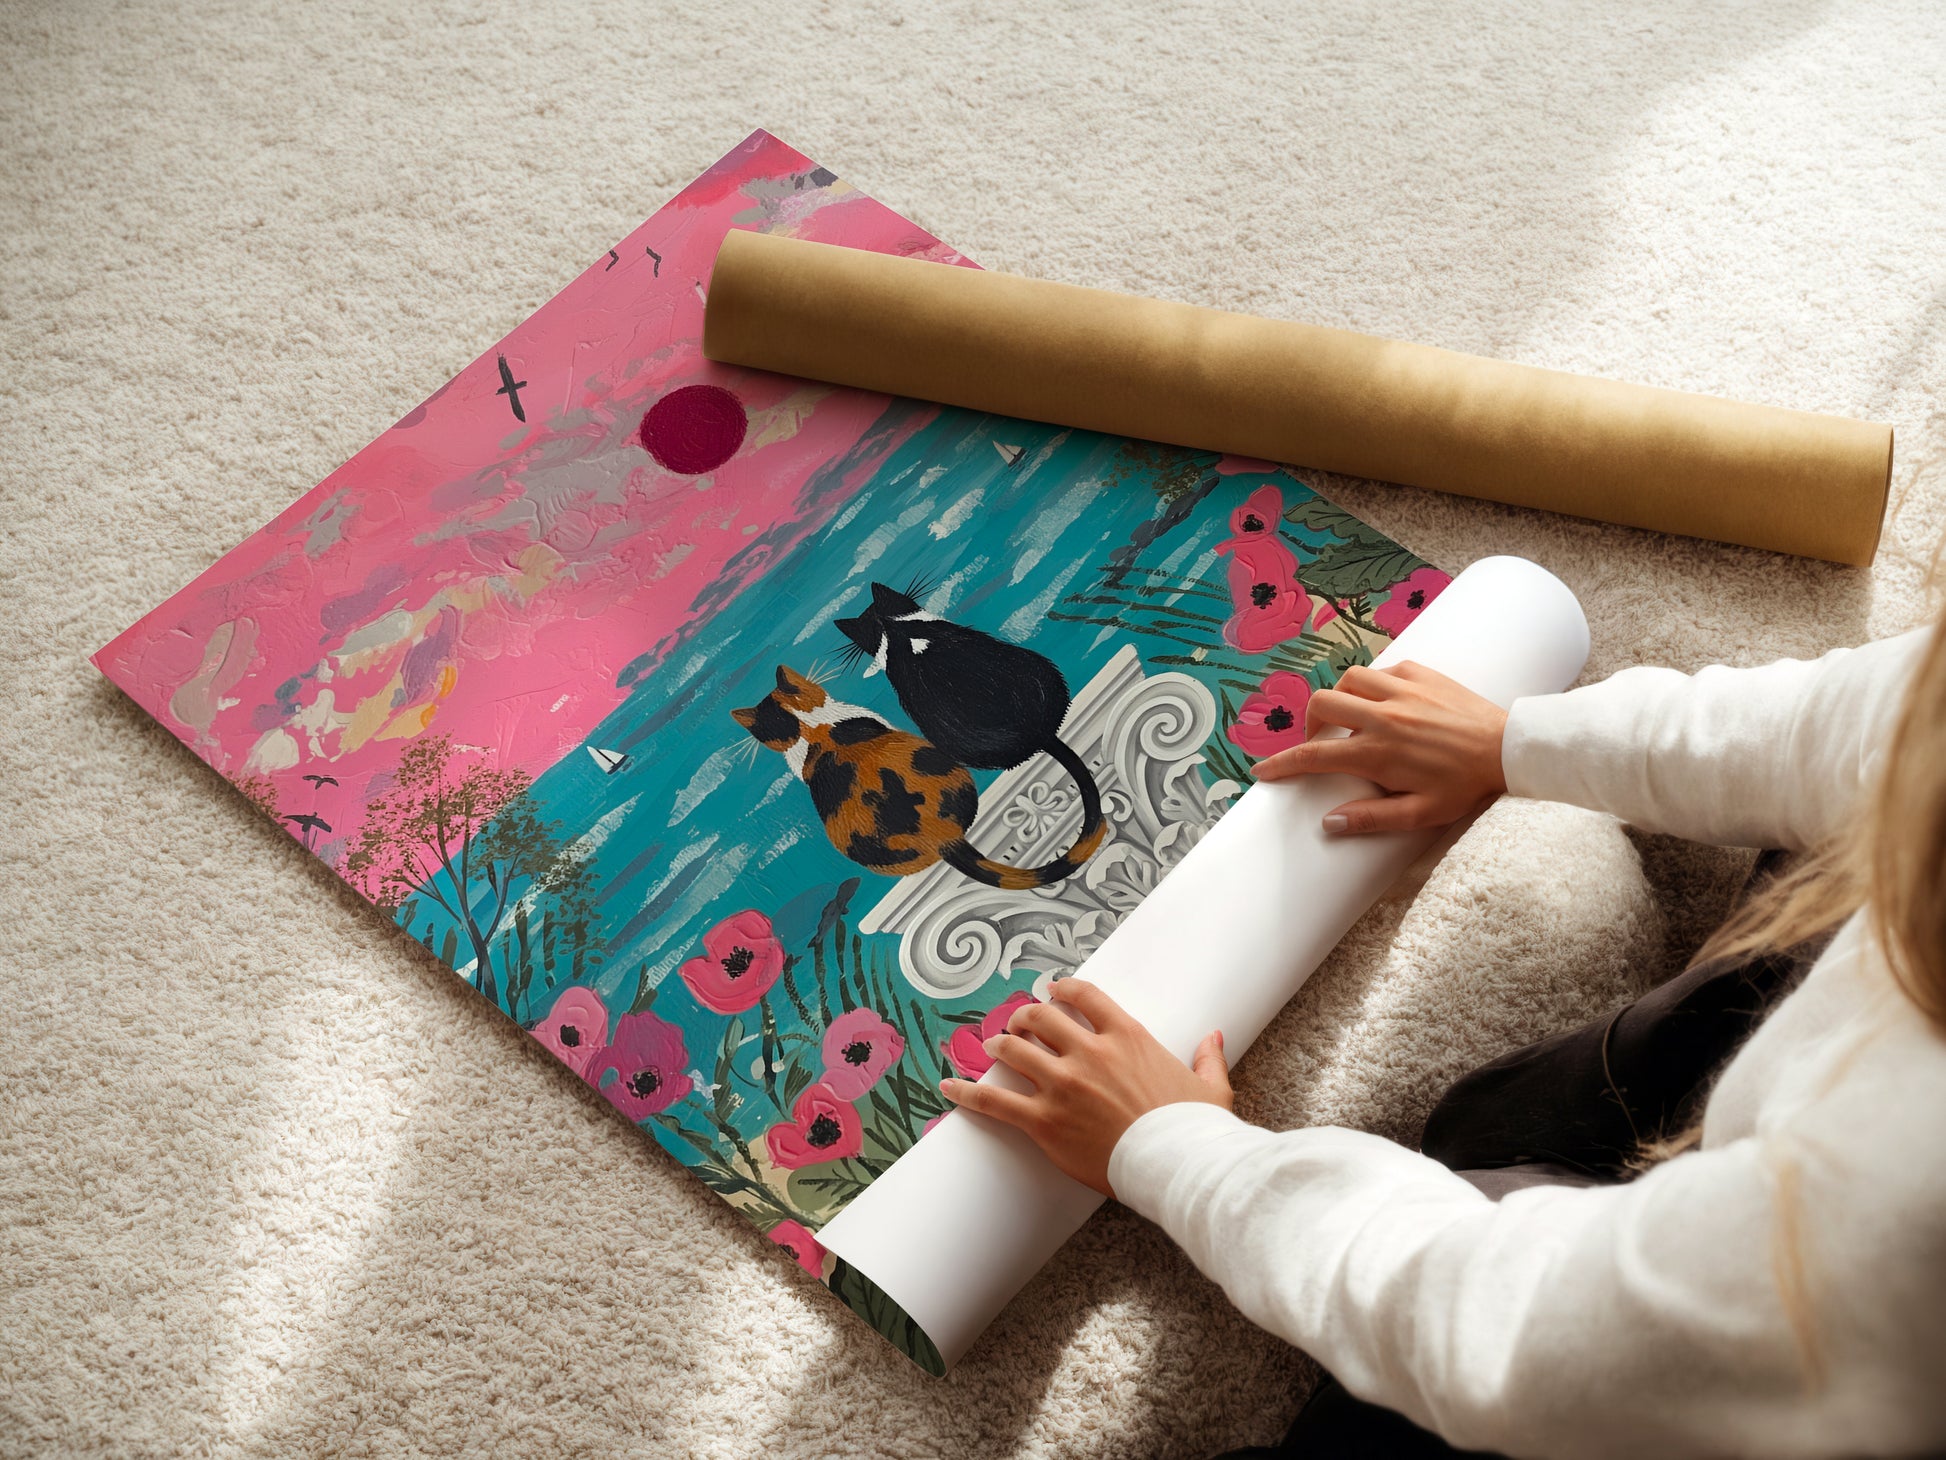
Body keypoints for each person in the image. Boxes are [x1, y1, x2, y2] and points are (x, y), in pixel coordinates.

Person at [938, 616, 1946, 1458]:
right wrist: (1513, 741)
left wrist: (1175, 1150)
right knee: (1503, 1121)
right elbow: (1862, 720)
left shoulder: (1895, 1215)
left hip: (1776, 1366)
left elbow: (1512, 1332)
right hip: (1806, 1138)